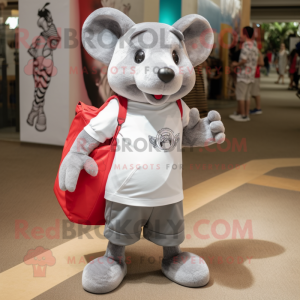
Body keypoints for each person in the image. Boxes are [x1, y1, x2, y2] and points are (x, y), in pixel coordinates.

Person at [229, 26, 258, 122]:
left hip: (243, 74)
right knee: (247, 95)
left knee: (240, 95)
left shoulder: (246, 45)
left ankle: (242, 115)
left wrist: (236, 63)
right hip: (251, 74)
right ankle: (246, 115)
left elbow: (244, 60)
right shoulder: (254, 45)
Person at [250, 50, 264, 115]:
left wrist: (252, 63)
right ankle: (257, 108)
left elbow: (262, 63)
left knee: (255, 92)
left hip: (255, 74)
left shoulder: (258, 52)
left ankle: (258, 108)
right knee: (253, 92)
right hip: (251, 74)